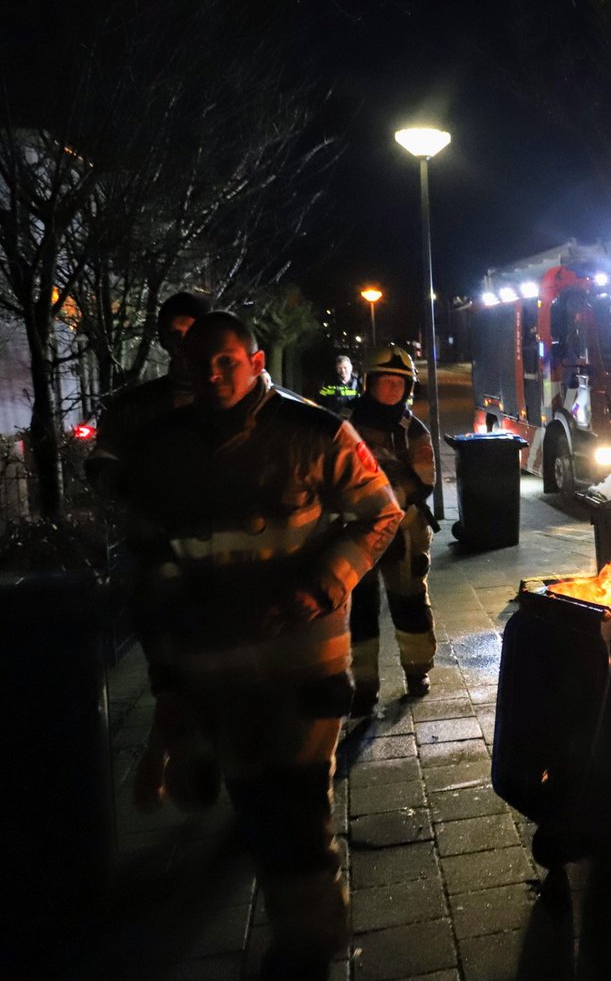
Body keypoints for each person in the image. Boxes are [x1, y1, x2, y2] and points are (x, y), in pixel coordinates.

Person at [121, 312, 403, 979]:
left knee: (299, 806)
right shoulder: (162, 451)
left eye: (227, 361)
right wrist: (170, 674)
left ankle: (309, 943)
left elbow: (380, 513)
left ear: (255, 362)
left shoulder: (314, 433)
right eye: (201, 362)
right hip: (213, 665)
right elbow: (147, 558)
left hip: (302, 658)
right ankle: (298, 920)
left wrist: (322, 586)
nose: (213, 374)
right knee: (254, 800)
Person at [344, 344, 438, 713]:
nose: (392, 390)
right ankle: (363, 686)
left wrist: (389, 500)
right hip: (355, 530)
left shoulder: (413, 431)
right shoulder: (344, 425)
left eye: (400, 384)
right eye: (385, 382)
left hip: (405, 529)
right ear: (368, 383)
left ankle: (417, 671)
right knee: (359, 609)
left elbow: (425, 480)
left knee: (410, 602)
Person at [85, 290, 212, 496]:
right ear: (164, 340)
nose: (183, 342)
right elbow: (103, 458)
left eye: (191, 332)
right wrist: (134, 486)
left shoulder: (245, 398)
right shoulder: (136, 406)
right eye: (174, 334)